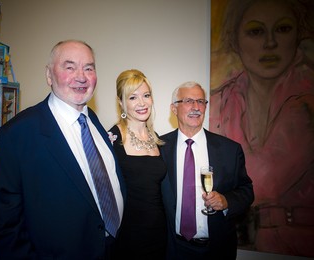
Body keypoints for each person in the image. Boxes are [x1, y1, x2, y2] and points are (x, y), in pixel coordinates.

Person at [0, 40, 126, 259]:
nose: (81, 76)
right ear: (49, 75)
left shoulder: (95, 123)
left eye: (89, 68)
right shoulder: (16, 135)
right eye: (69, 67)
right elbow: (6, 228)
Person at [210, 0, 314, 256]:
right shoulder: (222, 101)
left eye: (283, 29)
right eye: (256, 31)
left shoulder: (307, 102)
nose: (270, 43)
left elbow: (264, 183)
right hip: (236, 242)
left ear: (298, 35)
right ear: (235, 40)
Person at [161, 81, 254, 259]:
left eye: (201, 101)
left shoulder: (230, 150)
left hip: (216, 249)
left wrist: (226, 201)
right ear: (174, 109)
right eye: (188, 101)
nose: (196, 107)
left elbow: (247, 191)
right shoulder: (159, 148)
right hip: (172, 248)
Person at [107, 69, 167, 259]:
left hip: (159, 233)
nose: (142, 103)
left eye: (146, 95)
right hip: (128, 236)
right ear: (121, 102)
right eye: (133, 97)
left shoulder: (155, 138)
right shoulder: (112, 139)